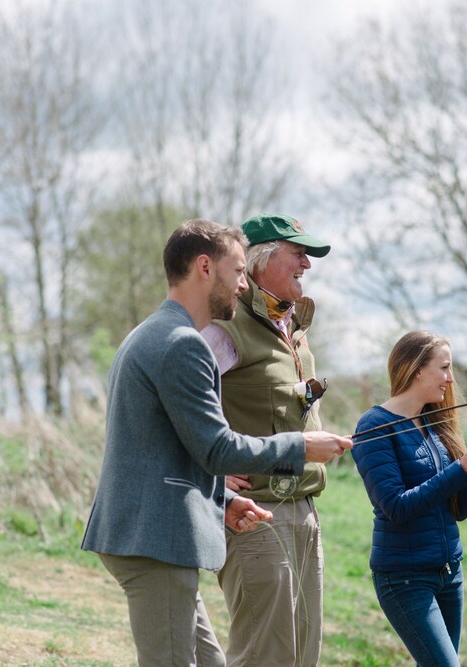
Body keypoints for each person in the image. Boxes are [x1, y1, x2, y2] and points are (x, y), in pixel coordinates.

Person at [80, 218, 353, 667]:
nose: (243, 286)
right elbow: (217, 449)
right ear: (206, 268)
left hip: (155, 533)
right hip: (156, 537)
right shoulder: (182, 344)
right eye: (239, 271)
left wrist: (222, 498)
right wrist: (301, 447)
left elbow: (171, 446)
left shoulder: (152, 333)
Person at [200, 213, 331, 666]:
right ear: (259, 262)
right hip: (253, 519)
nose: (307, 264)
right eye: (298, 253)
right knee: (264, 657)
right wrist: (209, 478)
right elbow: (168, 403)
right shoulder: (225, 331)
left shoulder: (295, 331)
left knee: (300, 656)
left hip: (305, 514)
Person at [351, 331, 467, 667]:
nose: (450, 378)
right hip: (404, 579)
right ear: (416, 369)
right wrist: (458, 471)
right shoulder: (374, 427)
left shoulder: (435, 423)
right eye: (444, 367)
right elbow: (396, 507)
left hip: (450, 573)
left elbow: (458, 511)